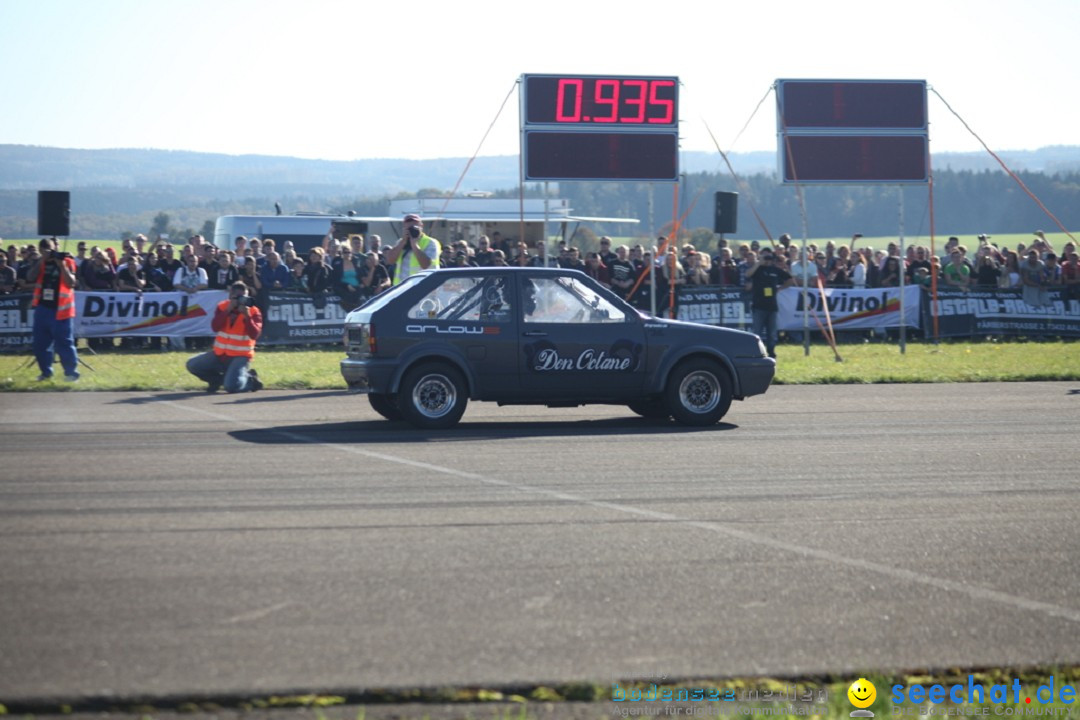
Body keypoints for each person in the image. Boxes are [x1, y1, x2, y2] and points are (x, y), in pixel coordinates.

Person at [186, 282, 263, 393]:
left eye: (244, 297)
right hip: (220, 354)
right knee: (192, 365)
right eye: (239, 297)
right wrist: (227, 310)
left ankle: (250, 380)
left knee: (231, 387)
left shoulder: (253, 311)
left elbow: (255, 334)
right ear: (231, 296)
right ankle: (217, 381)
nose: (242, 300)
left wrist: (247, 316)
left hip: (240, 356)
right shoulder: (222, 306)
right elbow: (215, 327)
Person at [30, 238, 80, 381]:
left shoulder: (67, 261)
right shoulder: (41, 263)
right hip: (43, 308)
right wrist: (41, 260)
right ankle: (46, 373)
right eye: (43, 250)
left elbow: (71, 283)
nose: (48, 252)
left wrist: (61, 265)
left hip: (61, 309)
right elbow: (30, 277)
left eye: (50, 249)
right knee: (41, 343)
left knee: (64, 343)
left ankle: (71, 373)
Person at [745, 249, 793, 359]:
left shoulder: (775, 270)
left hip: (772, 306)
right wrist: (758, 262)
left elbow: (790, 279)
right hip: (758, 305)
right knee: (757, 332)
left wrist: (780, 288)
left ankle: (771, 352)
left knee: (772, 333)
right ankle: (756, 351)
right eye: (765, 258)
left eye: (769, 258)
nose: (767, 260)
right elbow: (748, 274)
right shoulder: (757, 269)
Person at [384, 214, 440, 284]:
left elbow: (426, 265)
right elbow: (390, 260)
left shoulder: (430, 242)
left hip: (424, 286)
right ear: (404, 228)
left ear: (421, 226)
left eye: (415, 228)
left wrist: (414, 244)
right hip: (402, 287)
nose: (412, 231)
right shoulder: (400, 242)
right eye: (409, 228)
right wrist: (403, 242)